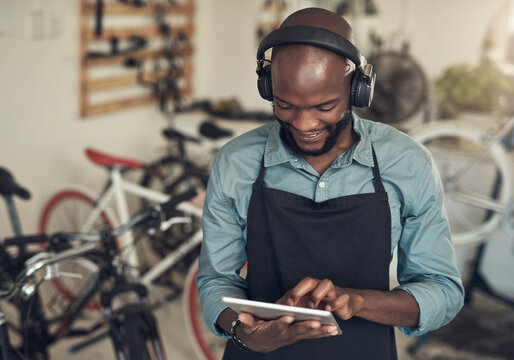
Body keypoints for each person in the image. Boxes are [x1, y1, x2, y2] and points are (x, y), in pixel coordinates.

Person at [197, 7, 464, 359]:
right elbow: (216, 280)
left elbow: (443, 290)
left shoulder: (407, 163)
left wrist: (357, 300)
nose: (304, 123)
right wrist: (243, 330)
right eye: (285, 105)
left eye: (325, 105)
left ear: (357, 90)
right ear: (267, 89)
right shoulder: (236, 162)